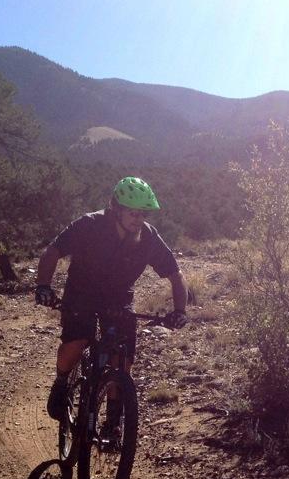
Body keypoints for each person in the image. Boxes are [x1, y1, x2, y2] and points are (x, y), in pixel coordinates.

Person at [34, 176, 187, 420]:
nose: (139, 220)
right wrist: (43, 286)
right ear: (115, 209)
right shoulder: (89, 225)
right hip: (81, 292)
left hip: (118, 298)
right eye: (133, 214)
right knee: (77, 341)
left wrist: (180, 310)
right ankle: (61, 382)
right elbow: (52, 252)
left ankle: (114, 420)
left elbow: (176, 275)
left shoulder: (148, 238)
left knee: (122, 359)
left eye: (143, 214)